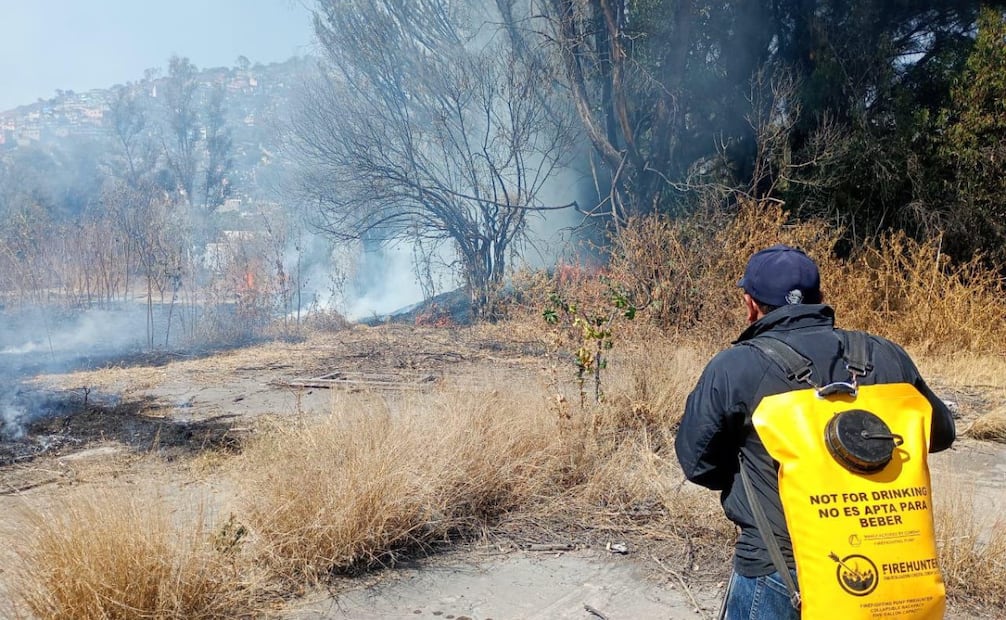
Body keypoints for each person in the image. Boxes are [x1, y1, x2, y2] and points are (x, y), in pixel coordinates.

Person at [674, 244, 956, 620]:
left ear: (750, 304)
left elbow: (697, 464)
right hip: (884, 561)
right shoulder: (885, 354)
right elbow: (939, 435)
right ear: (820, 298)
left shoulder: (734, 367)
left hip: (779, 567)